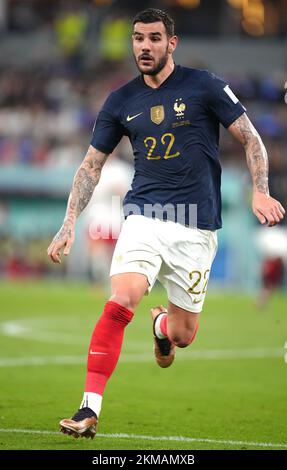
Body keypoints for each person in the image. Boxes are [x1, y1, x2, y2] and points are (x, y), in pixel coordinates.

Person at [47, 8, 285, 439]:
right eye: (138, 38)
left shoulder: (205, 86)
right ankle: (88, 408)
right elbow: (90, 167)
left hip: (196, 227)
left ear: (171, 43)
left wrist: (260, 188)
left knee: (183, 334)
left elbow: (250, 136)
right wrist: (68, 223)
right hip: (144, 215)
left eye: (154, 38)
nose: (144, 46)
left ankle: (160, 327)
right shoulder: (120, 100)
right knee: (122, 300)